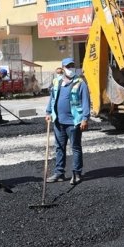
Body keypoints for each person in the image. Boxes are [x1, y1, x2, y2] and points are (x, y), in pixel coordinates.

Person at [45, 57, 90, 185]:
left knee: (75, 147)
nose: (70, 69)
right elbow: (52, 98)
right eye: (68, 66)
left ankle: (77, 173)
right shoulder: (56, 82)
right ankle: (59, 173)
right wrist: (48, 112)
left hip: (74, 122)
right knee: (59, 147)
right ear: (63, 68)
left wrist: (85, 118)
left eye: (72, 66)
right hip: (58, 121)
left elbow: (86, 101)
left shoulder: (80, 83)